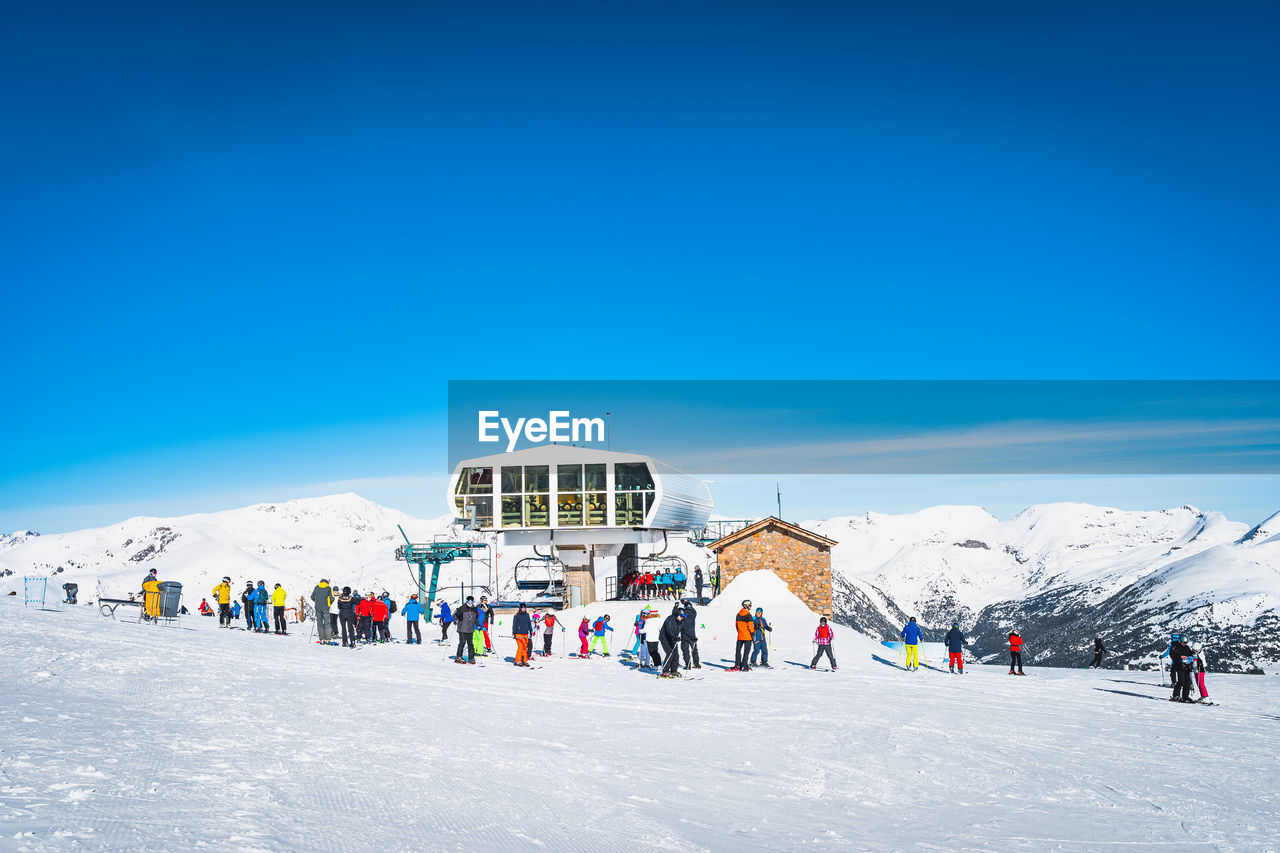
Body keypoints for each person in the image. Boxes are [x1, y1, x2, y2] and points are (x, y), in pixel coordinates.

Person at [1165, 633, 1195, 702]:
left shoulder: (1186, 647)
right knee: (1181, 681)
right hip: (1179, 665)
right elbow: (1172, 655)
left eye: (1185, 642)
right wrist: (1180, 657)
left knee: (1187, 682)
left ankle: (1185, 696)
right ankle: (1176, 695)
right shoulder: (1175, 646)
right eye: (1182, 642)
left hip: (1186, 666)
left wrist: (1190, 658)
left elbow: (1190, 654)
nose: (1184, 644)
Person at [730, 600, 755, 672]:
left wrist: (740, 632)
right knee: (746, 652)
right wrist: (753, 632)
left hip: (740, 636)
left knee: (738, 651)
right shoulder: (748, 615)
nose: (750, 607)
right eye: (750, 605)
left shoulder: (738, 614)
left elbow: (736, 625)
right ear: (746, 606)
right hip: (747, 637)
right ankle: (744, 666)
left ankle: (737, 665)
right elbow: (750, 626)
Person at [659, 608, 684, 677]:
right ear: (677, 614)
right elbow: (668, 630)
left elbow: (684, 630)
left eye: (684, 616)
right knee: (670, 653)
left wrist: (691, 638)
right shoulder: (670, 619)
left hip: (673, 639)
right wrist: (674, 637)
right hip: (665, 638)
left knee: (676, 655)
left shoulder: (680, 621)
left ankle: (674, 671)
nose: (682, 618)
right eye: (681, 616)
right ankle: (665, 671)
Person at [454, 596, 479, 664]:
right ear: (466, 601)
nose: (470, 603)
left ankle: (471, 658)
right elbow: (455, 614)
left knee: (470, 644)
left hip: (470, 629)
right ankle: (459, 656)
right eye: (469, 601)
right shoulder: (462, 608)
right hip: (462, 628)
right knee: (462, 643)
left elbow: (476, 618)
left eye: (471, 601)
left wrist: (478, 625)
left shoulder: (475, 609)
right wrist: (455, 619)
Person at [311, 579, 333, 645]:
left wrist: (317, 601)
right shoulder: (329, 588)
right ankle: (328, 639)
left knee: (319, 623)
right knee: (327, 623)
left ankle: (322, 639)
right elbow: (332, 598)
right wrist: (329, 603)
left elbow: (312, 597)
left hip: (318, 607)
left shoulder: (316, 587)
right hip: (326, 607)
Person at [512, 602, 532, 667]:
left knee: (524, 648)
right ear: (520, 608)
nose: (523, 609)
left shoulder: (527, 615)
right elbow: (514, 624)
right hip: (519, 633)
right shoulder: (517, 615)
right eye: (522, 608)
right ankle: (518, 660)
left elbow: (529, 623)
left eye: (524, 608)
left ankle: (524, 660)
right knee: (520, 647)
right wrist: (514, 633)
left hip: (525, 633)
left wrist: (530, 630)